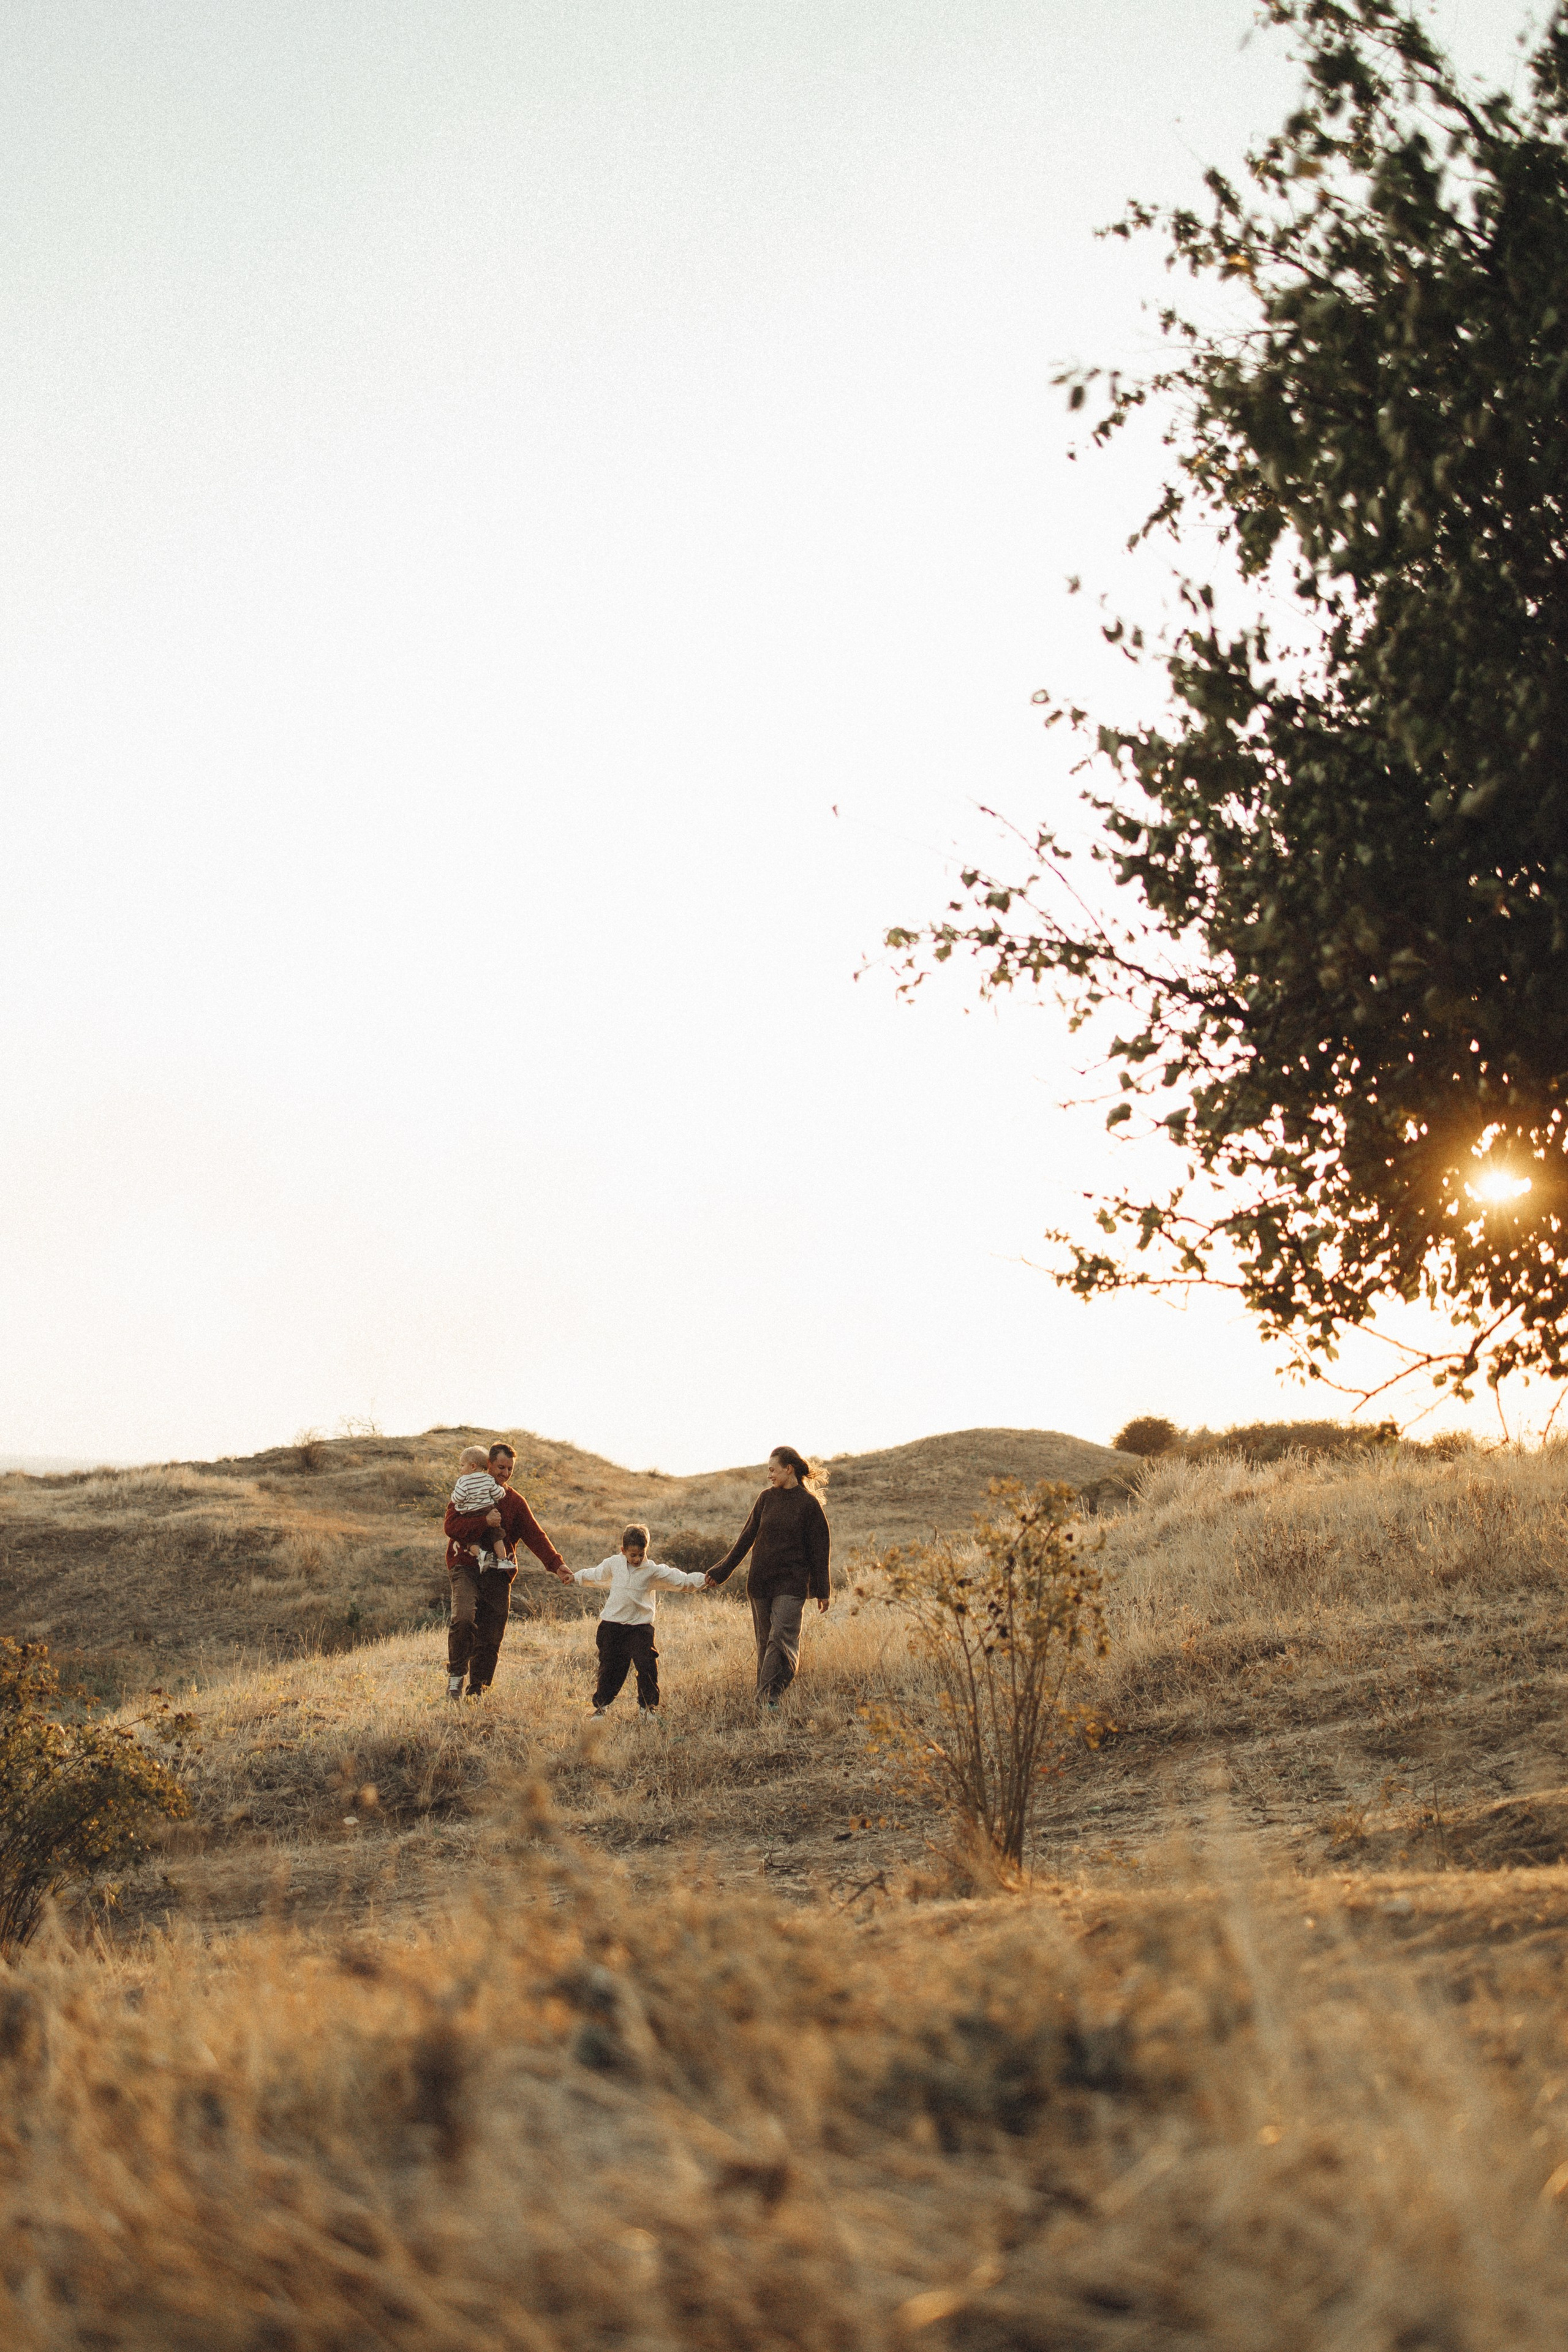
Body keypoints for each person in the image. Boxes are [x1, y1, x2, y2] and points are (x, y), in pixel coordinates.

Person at [442, 1440, 570, 1700]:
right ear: (488, 1464)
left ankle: (478, 1691)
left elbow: (535, 1535)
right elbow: (451, 1526)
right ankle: (456, 1676)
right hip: (466, 1565)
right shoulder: (467, 1487)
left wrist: (557, 1565)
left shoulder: (514, 1501)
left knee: (492, 1634)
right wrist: (484, 1521)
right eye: (501, 1467)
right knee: (463, 1618)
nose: (506, 1473)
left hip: (499, 1571)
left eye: (510, 1469)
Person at [704, 1446, 830, 1706]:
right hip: (761, 1582)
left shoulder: (809, 1505)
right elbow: (745, 1539)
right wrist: (722, 1570)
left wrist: (823, 1590)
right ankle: (767, 1698)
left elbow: (820, 1550)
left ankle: (768, 1698)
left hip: (792, 1583)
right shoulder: (765, 1499)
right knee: (765, 1643)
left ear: (789, 1469)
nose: (769, 1475)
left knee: (780, 1638)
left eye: (773, 1470)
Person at [571, 1523, 707, 1716]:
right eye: (633, 1555)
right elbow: (595, 1575)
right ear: (623, 1551)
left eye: (641, 1555)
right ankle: (601, 1708)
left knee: (647, 1665)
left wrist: (706, 1579)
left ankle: (648, 1708)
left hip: (639, 1629)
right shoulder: (613, 1564)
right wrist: (574, 1577)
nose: (637, 1559)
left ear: (646, 1551)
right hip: (612, 1626)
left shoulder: (652, 1570)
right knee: (610, 1668)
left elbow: (681, 1579)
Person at [448, 1447, 514, 1566]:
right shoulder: (488, 1479)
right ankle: (503, 1560)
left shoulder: (463, 1481)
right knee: (497, 1535)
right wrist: (502, 1491)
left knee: (471, 1540)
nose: (460, 1469)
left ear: (473, 1466)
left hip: (471, 1514)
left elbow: (457, 1498)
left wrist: (454, 1495)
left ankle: (481, 1555)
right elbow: (498, 1494)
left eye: (462, 1465)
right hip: (487, 1510)